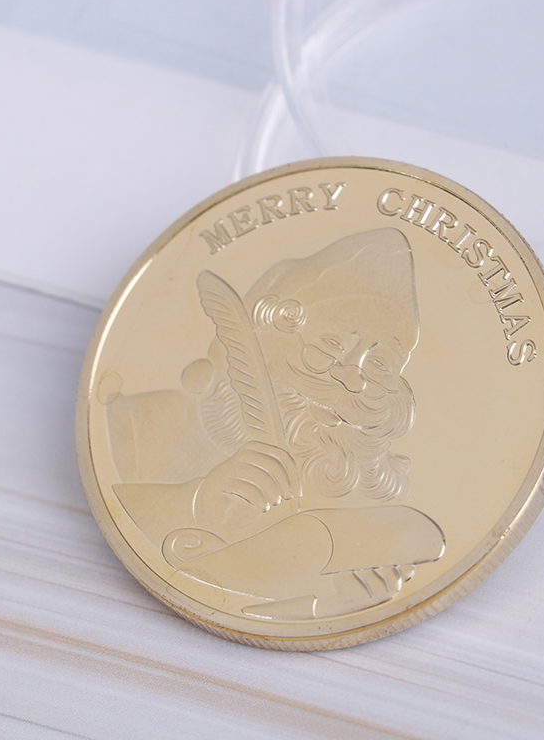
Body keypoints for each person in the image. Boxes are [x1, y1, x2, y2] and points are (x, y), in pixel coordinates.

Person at [109, 228, 444, 619]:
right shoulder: (133, 428)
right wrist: (196, 503)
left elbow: (265, 607)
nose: (352, 378)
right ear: (263, 337)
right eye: (330, 345)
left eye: (379, 364)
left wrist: (337, 606)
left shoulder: (365, 504)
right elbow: (119, 508)